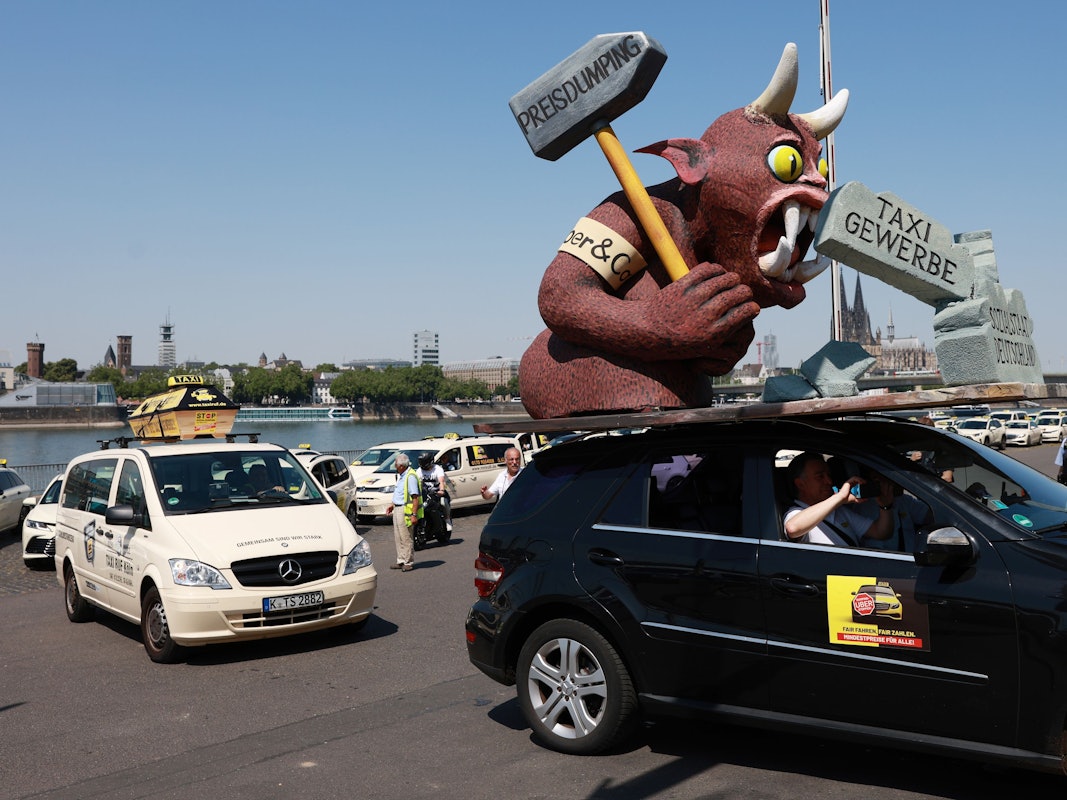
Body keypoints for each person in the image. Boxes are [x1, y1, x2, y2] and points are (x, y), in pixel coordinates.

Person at [783, 451, 895, 546]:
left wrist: (885, 506)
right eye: (820, 477)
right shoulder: (795, 513)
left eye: (829, 475)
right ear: (800, 484)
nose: (829, 481)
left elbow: (881, 532)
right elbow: (792, 528)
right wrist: (840, 497)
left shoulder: (839, 511)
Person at [385, 453, 421, 571]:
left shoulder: (410, 476)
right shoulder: (402, 475)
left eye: (395, 464)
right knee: (398, 536)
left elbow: (415, 497)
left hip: (405, 511)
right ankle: (400, 559)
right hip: (398, 508)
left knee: (406, 536)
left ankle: (408, 561)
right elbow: (400, 493)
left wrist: (413, 515)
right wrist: (393, 504)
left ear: (401, 466)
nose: (395, 466)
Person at [417, 452, 452, 532]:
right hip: (426, 493)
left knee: (444, 502)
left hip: (437, 492)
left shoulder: (438, 469)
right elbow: (418, 482)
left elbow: (441, 481)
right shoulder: (419, 471)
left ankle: (447, 520)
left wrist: (441, 490)